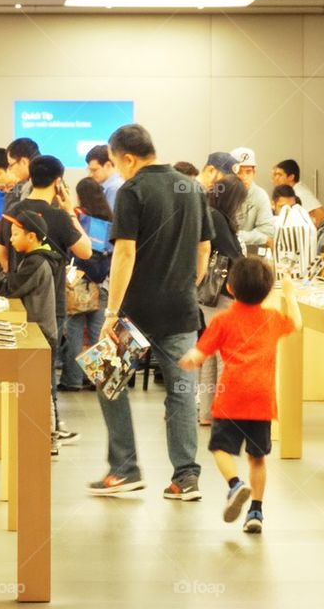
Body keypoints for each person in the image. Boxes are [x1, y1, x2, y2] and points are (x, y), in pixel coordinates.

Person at [89, 124, 213, 499]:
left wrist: (111, 312)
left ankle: (125, 468)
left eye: (115, 162)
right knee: (180, 391)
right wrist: (187, 285)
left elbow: (125, 253)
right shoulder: (191, 187)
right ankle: (185, 477)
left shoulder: (133, 190)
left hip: (135, 311)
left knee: (107, 379)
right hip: (180, 309)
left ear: (127, 158)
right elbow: (205, 248)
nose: (117, 169)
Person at [180, 259, 301, 533]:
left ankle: (235, 485)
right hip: (262, 399)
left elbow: (198, 355)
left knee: (220, 448)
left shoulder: (223, 320)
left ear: (231, 288)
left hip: (231, 397)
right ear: (268, 291)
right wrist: (291, 294)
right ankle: (256, 511)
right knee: (257, 458)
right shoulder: (272, 319)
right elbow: (296, 322)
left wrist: (188, 359)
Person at [0, 155, 92, 449]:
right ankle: (48, 430)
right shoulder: (60, 216)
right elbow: (86, 252)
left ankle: (34, 425)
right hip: (52, 303)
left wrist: (13, 282)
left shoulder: (14, 210)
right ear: (58, 181)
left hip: (17, 300)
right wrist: (69, 211)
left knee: (22, 366)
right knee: (46, 366)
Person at [0, 210, 64, 455]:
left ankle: (49, 438)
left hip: (42, 335)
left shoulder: (37, 262)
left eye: (15, 234)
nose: (10, 239)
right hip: (37, 332)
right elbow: (7, 286)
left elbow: (9, 286)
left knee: (42, 389)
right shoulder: (33, 258)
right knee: (39, 387)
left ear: (32, 236)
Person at [197, 175, 247, 426]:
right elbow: (233, 255)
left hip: (207, 295)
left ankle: (208, 412)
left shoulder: (207, 213)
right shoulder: (217, 217)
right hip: (221, 295)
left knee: (211, 353)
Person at [59, 178, 113, 392]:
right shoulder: (110, 220)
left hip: (79, 282)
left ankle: (72, 380)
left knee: (73, 330)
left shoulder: (78, 218)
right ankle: (98, 379)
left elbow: (74, 249)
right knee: (99, 333)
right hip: (104, 283)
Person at [229, 147, 275, 249]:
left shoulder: (260, 195)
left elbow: (267, 232)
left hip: (250, 255)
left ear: (254, 172)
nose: (243, 177)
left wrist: (235, 236)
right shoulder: (220, 193)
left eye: (248, 172)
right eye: (239, 172)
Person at [272, 159, 324, 226]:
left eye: (279, 175)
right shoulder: (292, 191)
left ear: (291, 177)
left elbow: (322, 217)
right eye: (275, 175)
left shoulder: (300, 193)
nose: (275, 178)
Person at [2, 138, 39, 216]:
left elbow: (10, 216)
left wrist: (12, 188)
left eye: (11, 165)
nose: (9, 170)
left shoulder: (36, 183)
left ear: (23, 162)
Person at [85, 144, 123, 211]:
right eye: (89, 170)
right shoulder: (108, 186)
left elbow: (110, 220)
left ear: (108, 165)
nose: (90, 175)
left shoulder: (113, 188)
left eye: (94, 170)